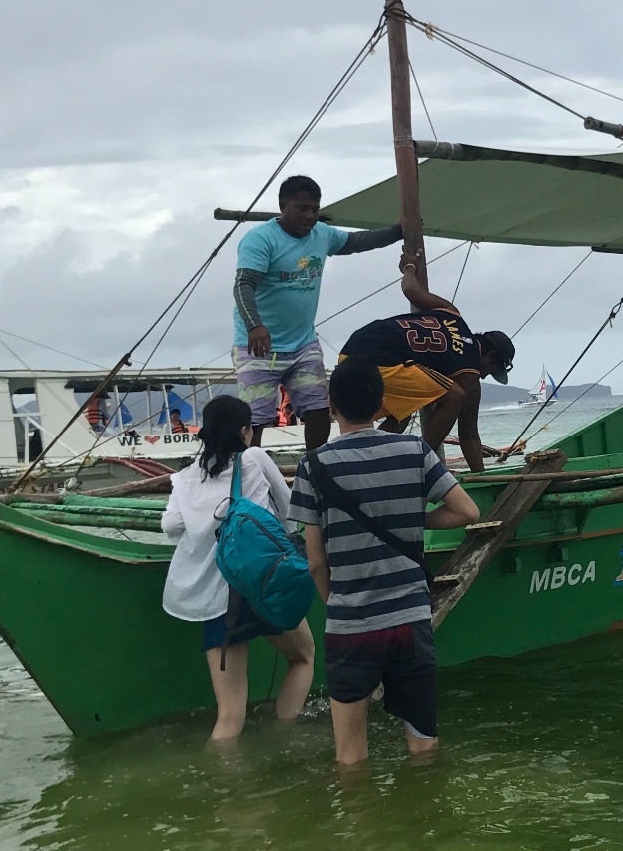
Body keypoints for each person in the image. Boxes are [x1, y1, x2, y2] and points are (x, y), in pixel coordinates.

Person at [291, 357, 480, 767]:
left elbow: (316, 564)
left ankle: (364, 828)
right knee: (424, 746)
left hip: (351, 625)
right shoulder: (414, 450)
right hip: (409, 622)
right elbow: (468, 513)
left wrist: (338, 608)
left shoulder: (313, 466)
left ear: (331, 405)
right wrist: (415, 518)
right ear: (381, 406)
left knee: (351, 757)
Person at [160, 393, 315, 740]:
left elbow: (170, 527)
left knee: (229, 716)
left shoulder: (185, 478)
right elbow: (292, 514)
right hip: (263, 588)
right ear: (245, 430)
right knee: (304, 657)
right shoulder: (255, 459)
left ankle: (224, 783)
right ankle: (284, 736)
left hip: (216, 603)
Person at [233, 174, 403, 453]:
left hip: (302, 344)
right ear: (283, 206)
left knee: (318, 408)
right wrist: (254, 326)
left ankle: (314, 467)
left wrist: (398, 232)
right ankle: (252, 473)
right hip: (258, 345)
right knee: (257, 420)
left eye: (315, 208)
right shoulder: (260, 240)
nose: (310, 216)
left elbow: (358, 241)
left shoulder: (322, 234)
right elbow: (243, 286)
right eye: (303, 208)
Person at [336, 260, 516, 473]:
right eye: (490, 372)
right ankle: (420, 463)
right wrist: (481, 476)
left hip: (352, 350)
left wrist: (409, 266)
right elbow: (468, 434)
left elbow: (410, 289)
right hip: (384, 360)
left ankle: (360, 462)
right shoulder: (469, 371)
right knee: (455, 396)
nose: (483, 377)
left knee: (402, 413)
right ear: (490, 355)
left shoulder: (451, 313)